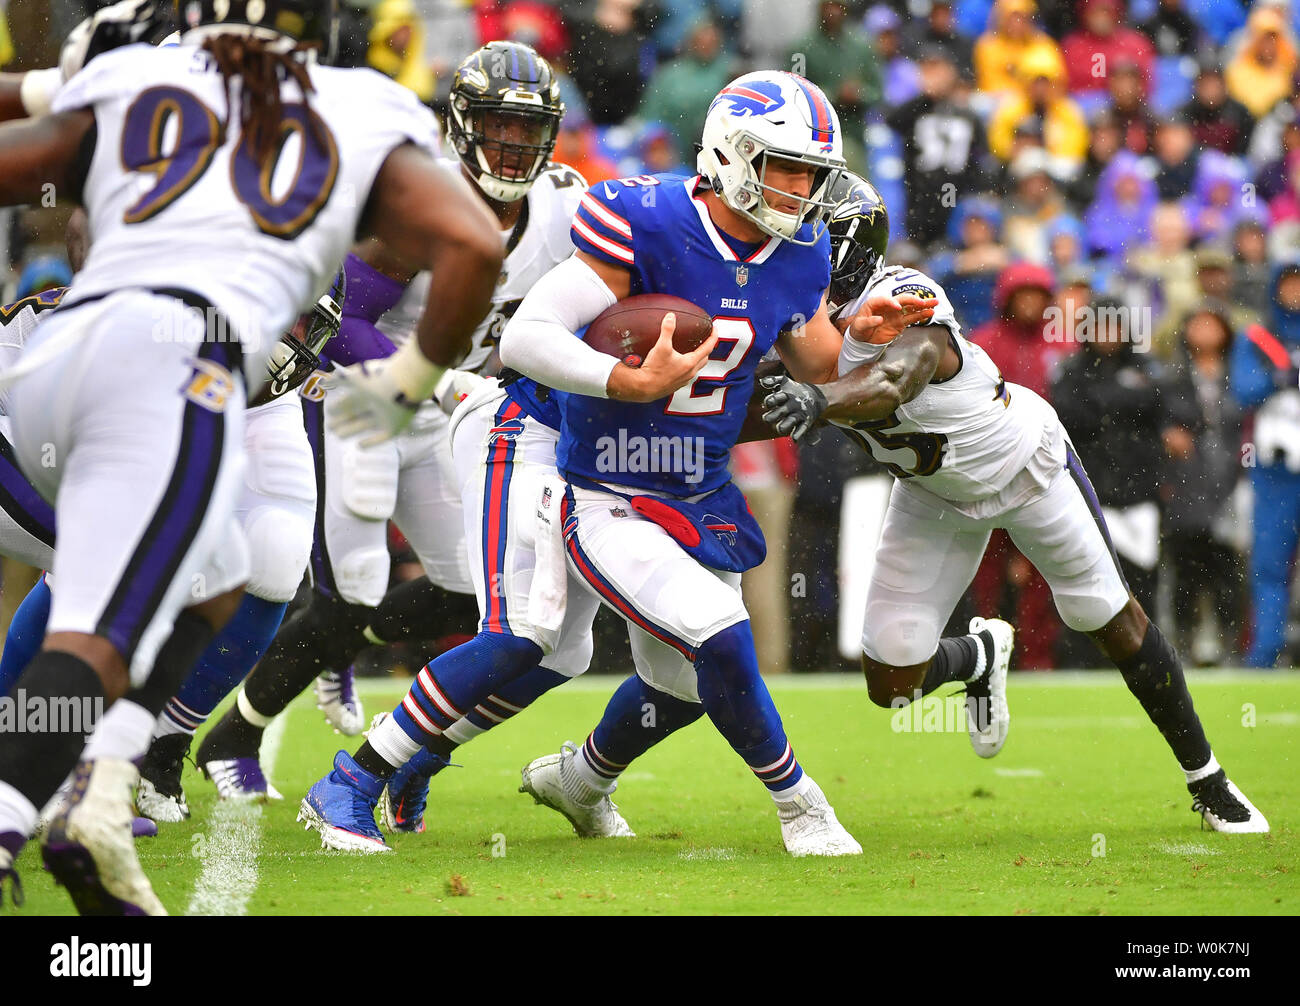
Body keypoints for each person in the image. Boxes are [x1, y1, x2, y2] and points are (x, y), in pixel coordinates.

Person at [300, 72, 934, 857]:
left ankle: (427, 750)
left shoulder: (798, 251)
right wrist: (626, 380)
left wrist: (865, 334)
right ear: (736, 156)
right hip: (527, 426)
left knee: (585, 656)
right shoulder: (650, 219)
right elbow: (529, 340)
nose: (802, 193)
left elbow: (815, 361)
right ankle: (351, 781)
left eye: (812, 175)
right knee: (522, 631)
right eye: (786, 169)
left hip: (641, 464)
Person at [0, 0, 504, 914]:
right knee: (105, 609)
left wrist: (57, 81)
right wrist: (414, 376)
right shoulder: (352, 103)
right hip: (173, 365)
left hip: (58, 354)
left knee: (222, 572)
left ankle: (103, 788)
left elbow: (21, 163)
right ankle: (39, 808)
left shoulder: (137, 71)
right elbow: (473, 241)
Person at [762, 186, 1270, 835]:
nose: (782, 251)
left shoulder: (901, 295)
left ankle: (1209, 779)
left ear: (840, 248)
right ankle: (977, 659)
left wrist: (817, 399)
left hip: (1025, 465)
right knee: (889, 680)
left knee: (1107, 615)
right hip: (932, 493)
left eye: (797, 237)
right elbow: (764, 397)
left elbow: (897, 378)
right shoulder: (794, 316)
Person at [195, 40, 581, 796]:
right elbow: (336, 319)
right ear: (462, 126)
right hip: (364, 399)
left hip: (451, 413)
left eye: (526, 131)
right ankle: (228, 737)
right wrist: (432, 380)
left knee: (473, 588)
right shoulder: (424, 199)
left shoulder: (563, 203)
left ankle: (352, 643)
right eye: (497, 127)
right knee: (355, 587)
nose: (511, 146)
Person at [1230, 262, 1300, 668]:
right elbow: (1243, 389)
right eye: (1288, 284)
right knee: (1270, 566)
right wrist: (1279, 375)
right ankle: (1265, 652)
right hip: (1275, 472)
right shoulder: (1256, 337)